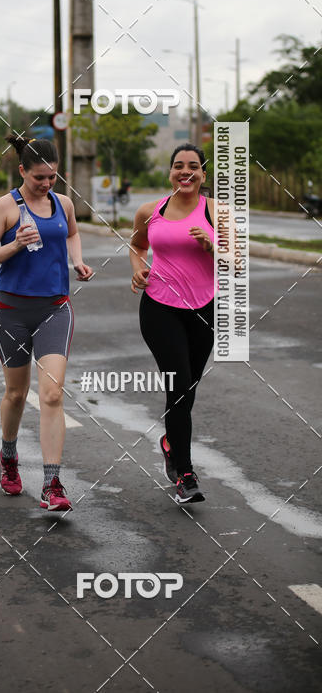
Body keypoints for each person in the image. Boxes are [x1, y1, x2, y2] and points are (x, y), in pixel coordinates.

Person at [0, 135, 93, 512]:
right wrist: (14, 245)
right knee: (15, 394)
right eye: (38, 178)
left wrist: (77, 261)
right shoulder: (5, 207)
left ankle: (51, 483)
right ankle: (9, 455)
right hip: (9, 313)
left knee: (52, 394)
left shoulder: (63, 203)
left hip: (55, 310)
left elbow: (71, 233)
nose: (45, 185)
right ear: (22, 170)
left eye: (52, 177)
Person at [129, 144, 217, 505]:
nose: (186, 172)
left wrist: (212, 245)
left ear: (202, 175)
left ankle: (169, 443)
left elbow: (238, 263)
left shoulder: (217, 211)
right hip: (159, 308)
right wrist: (138, 269)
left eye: (193, 166)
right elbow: (136, 246)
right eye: (179, 166)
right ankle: (185, 474)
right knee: (179, 387)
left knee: (188, 389)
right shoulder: (151, 211)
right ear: (170, 173)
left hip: (203, 309)